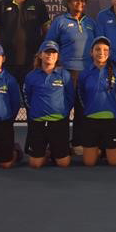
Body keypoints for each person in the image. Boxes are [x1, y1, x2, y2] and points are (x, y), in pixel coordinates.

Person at [45, 0, 100, 155]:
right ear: (68, 3)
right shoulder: (60, 22)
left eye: (82, 0)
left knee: (83, 109)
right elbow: (49, 44)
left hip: (87, 73)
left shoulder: (91, 23)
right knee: (62, 109)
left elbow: (98, 46)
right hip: (66, 73)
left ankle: (78, 143)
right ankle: (57, 144)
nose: (80, 3)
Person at [23, 40, 75, 168]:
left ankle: (54, 152)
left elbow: (70, 97)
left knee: (64, 164)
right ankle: (43, 152)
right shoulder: (31, 76)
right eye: (47, 52)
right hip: (38, 123)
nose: (50, 55)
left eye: (53, 53)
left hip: (59, 123)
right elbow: (27, 96)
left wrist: (63, 112)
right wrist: (36, 111)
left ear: (57, 56)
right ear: (40, 55)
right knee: (35, 165)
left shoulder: (64, 75)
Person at [77, 36, 116, 166]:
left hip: (112, 121)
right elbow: (81, 95)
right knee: (89, 163)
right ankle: (99, 150)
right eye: (97, 49)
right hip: (91, 120)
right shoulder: (84, 73)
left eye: (105, 50)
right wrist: (88, 110)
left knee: (114, 162)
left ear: (109, 53)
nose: (101, 52)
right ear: (91, 52)